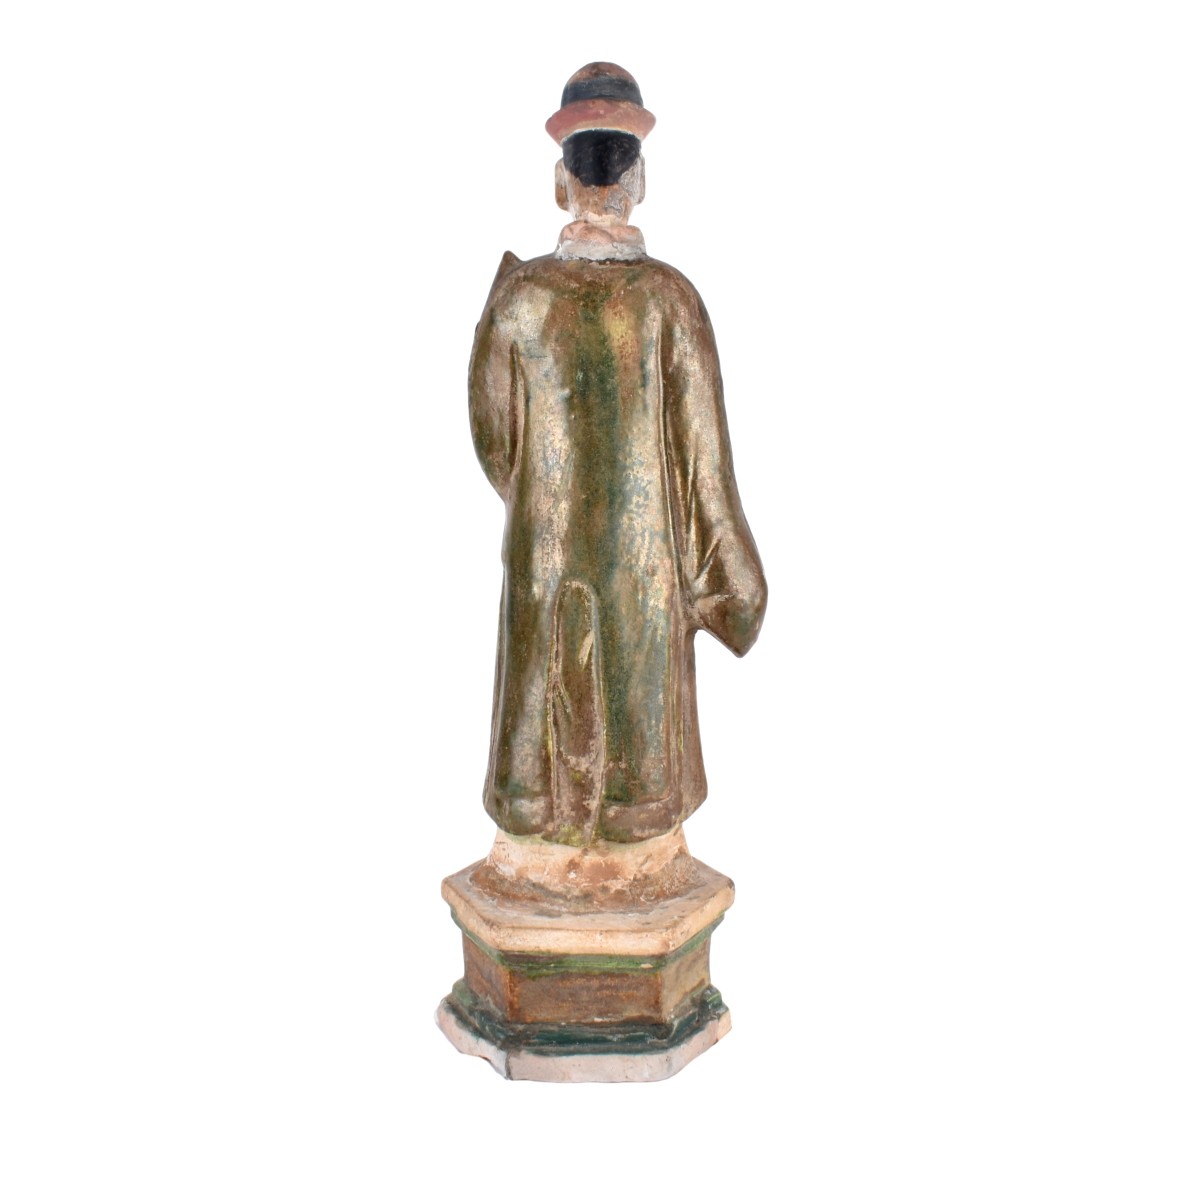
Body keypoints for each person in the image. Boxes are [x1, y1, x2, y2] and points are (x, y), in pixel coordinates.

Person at [468, 63, 767, 846]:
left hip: (542, 548)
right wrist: (732, 575)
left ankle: (532, 799)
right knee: (637, 693)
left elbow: (494, 441)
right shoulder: (671, 300)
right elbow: (703, 461)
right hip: (642, 561)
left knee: (539, 677)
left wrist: (545, 503)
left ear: (560, 182)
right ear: (638, 181)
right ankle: (635, 803)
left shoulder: (519, 299)